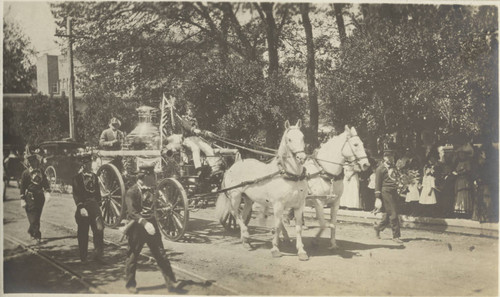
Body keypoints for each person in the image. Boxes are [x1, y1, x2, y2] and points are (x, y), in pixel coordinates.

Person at [124, 164, 180, 294]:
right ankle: (130, 284)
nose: (155, 178)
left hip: (152, 227)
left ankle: (171, 282)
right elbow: (132, 212)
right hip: (137, 228)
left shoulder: (152, 190)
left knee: (161, 254)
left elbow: (155, 206)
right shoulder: (131, 192)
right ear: (144, 176)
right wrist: (144, 223)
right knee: (132, 256)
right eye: (152, 175)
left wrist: (163, 209)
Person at [72, 152, 105, 263]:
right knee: (83, 232)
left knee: (99, 230)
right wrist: (81, 207)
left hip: (94, 206)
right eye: (87, 163)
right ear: (83, 164)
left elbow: (98, 193)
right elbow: (76, 194)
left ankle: (98, 255)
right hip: (84, 207)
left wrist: (98, 206)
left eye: (90, 162)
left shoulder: (94, 176)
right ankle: (83, 257)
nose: (89, 165)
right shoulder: (77, 178)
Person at [176, 111, 221, 176]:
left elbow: (199, 130)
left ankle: (214, 167)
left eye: (192, 110)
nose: (191, 111)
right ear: (187, 111)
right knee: (195, 148)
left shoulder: (194, 120)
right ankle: (198, 168)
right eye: (189, 110)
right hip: (187, 139)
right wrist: (193, 129)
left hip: (196, 138)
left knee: (207, 148)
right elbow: (187, 127)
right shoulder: (184, 119)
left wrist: (206, 132)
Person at [373, 149, 403, 244]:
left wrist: (401, 184)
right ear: (384, 157)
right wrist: (377, 197)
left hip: (394, 191)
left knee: (388, 214)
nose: (390, 158)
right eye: (388, 156)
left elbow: (397, 178)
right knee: (394, 213)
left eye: (392, 156)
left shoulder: (394, 167)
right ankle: (396, 236)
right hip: (385, 192)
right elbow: (377, 184)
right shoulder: (380, 169)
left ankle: (378, 228)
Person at [20, 152, 51, 243]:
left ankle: (31, 230)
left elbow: (45, 182)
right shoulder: (25, 173)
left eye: (35, 161)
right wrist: (22, 198)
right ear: (29, 162)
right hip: (30, 197)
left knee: (37, 216)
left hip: (40, 197)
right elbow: (22, 186)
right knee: (33, 217)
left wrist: (47, 191)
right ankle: (37, 235)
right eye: (31, 162)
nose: (34, 163)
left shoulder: (41, 171)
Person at [454, 144, 474, 218]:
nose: (461, 155)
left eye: (462, 154)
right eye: (460, 154)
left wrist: (461, 172)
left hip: (464, 180)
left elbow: (468, 171)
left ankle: (465, 210)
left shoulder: (467, 162)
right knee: (458, 193)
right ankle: (459, 209)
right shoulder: (458, 162)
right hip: (459, 180)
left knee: (464, 193)